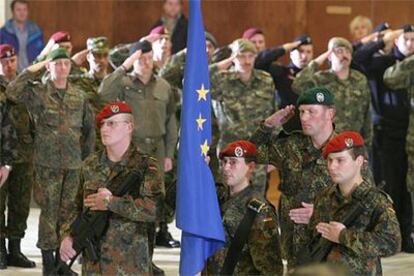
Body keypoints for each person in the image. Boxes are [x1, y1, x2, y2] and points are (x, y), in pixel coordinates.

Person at [6, 47, 95, 275]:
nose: (62, 68)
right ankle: (48, 262)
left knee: (68, 214)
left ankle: (62, 262)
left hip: (73, 164)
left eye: (66, 64)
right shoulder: (38, 94)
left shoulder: (79, 95)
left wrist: (86, 159)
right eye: (57, 64)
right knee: (49, 214)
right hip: (47, 165)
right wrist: (36, 66)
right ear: (49, 67)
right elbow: (13, 91)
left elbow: (88, 130)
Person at [99, 40, 178, 273]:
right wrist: (126, 65)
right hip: (130, 152)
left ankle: (148, 258)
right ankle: (126, 257)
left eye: (147, 58)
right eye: (139, 58)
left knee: (151, 208)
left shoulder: (164, 86)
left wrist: (170, 153)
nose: (144, 62)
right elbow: (104, 92)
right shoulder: (122, 84)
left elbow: (170, 122)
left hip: (156, 151)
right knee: (128, 205)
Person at [59, 102, 163, 275]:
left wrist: (111, 203)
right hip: (94, 266)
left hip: (132, 265)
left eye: (111, 123)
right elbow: (71, 207)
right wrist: (66, 236)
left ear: (129, 126)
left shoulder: (146, 167)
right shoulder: (89, 165)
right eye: (102, 124)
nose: (104, 129)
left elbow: (155, 210)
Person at [249, 87, 335, 270]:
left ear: (330, 113)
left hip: (331, 249)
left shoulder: (346, 150)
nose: (304, 118)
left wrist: (319, 214)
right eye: (302, 112)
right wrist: (268, 125)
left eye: (312, 112)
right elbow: (249, 154)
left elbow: (364, 204)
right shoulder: (290, 145)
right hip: (294, 247)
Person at [353, 24, 414, 252]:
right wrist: (380, 39)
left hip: (410, 136)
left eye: (413, 39)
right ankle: (387, 237)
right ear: (396, 41)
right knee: (388, 186)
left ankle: (407, 237)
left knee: (408, 190)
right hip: (386, 135)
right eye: (405, 39)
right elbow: (357, 58)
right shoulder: (382, 63)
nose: (410, 44)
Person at [308, 131, 401, 275]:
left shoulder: (376, 200)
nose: (332, 167)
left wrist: (343, 236)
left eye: (340, 160)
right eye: (330, 160)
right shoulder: (324, 197)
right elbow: (313, 239)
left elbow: (391, 243)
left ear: (358, 161)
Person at [204, 140, 283, 275]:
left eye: (233, 162)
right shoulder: (216, 197)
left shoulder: (259, 211)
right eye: (224, 162)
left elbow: (270, 270)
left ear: (250, 167)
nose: (226, 168)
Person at [209, 38, 277, 194]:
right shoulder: (222, 80)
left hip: (258, 151)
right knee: (228, 198)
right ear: (233, 57)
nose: (246, 61)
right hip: (231, 150)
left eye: (250, 56)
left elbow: (273, 116)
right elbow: (191, 83)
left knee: (256, 200)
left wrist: (274, 154)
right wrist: (220, 65)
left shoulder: (266, 80)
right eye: (241, 56)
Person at [292, 37, 372, 146]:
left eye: (347, 51)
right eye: (339, 51)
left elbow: (367, 112)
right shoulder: (320, 79)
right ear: (329, 56)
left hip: (353, 144)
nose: (344, 55)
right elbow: (297, 85)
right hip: (326, 144)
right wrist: (316, 62)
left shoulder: (360, 79)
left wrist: (366, 144)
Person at [255, 34, 314, 133]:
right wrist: (284, 48)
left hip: (308, 132)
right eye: (300, 51)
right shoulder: (281, 72)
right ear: (291, 54)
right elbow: (258, 62)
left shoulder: (315, 77)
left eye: (309, 52)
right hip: (286, 132)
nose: (304, 56)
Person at [0, 45, 19, 270]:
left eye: (12, 60)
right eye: (4, 61)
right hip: (5, 155)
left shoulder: (24, 85)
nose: (8, 64)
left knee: (18, 206)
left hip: (16, 155)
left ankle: (15, 250)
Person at [0, 0, 44, 71]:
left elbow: (42, 53)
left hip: (32, 72)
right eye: (18, 10)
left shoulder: (36, 31)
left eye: (24, 9)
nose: (22, 13)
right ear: (13, 12)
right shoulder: (4, 32)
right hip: (11, 72)